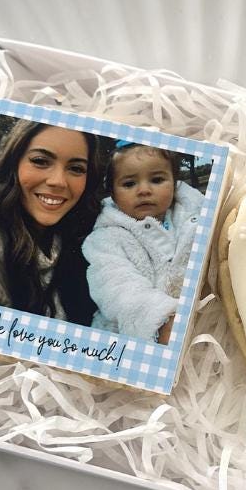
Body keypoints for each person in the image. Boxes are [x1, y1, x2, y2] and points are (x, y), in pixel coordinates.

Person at [0, 118, 100, 324]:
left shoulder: (90, 242)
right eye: (40, 161)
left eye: (76, 168)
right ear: (13, 163)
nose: (58, 181)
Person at [82, 141, 204, 343]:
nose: (144, 190)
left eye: (157, 180)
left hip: (200, 323)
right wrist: (159, 318)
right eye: (129, 184)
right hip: (134, 334)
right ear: (113, 194)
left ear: (174, 184)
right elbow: (117, 285)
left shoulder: (195, 218)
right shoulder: (105, 239)